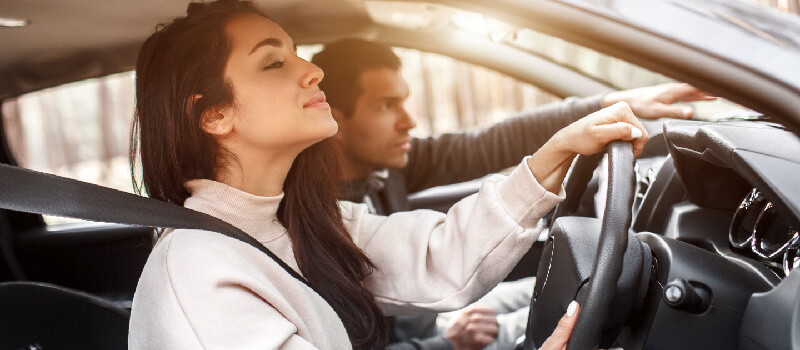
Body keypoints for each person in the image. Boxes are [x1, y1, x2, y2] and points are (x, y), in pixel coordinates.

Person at [126, 1, 648, 349]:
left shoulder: (293, 220)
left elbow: (440, 258)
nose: (312, 70)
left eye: (295, 53)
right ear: (215, 115)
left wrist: (558, 152)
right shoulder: (200, 271)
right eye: (273, 63)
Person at [310, 39, 714, 349]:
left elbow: (491, 142)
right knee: (583, 311)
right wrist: (448, 344)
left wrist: (606, 105)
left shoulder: (383, 169)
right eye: (385, 105)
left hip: (434, 321)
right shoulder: (314, 221)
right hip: (430, 339)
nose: (408, 121)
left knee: (565, 286)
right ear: (334, 118)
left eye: (405, 102)